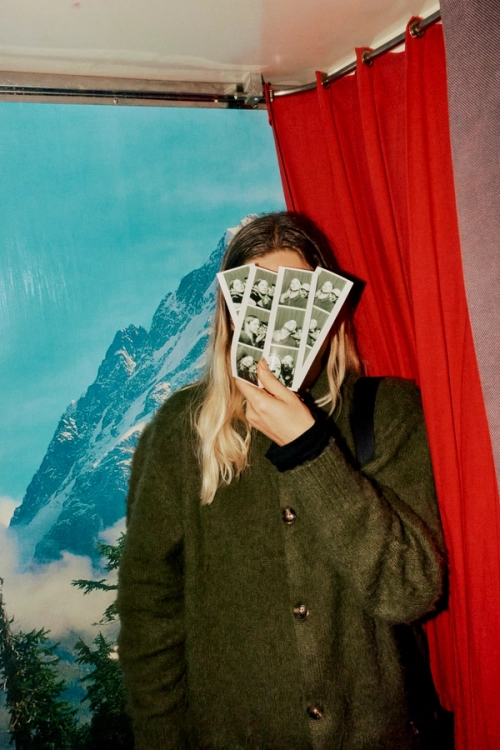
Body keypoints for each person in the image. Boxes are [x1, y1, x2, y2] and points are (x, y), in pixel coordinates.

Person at [117, 212, 446, 750]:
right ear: (231, 320)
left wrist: (311, 450)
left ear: (328, 313)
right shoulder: (181, 431)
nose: (275, 329)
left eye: (295, 297)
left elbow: (411, 590)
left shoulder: (388, 412)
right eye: (257, 303)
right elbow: (150, 617)